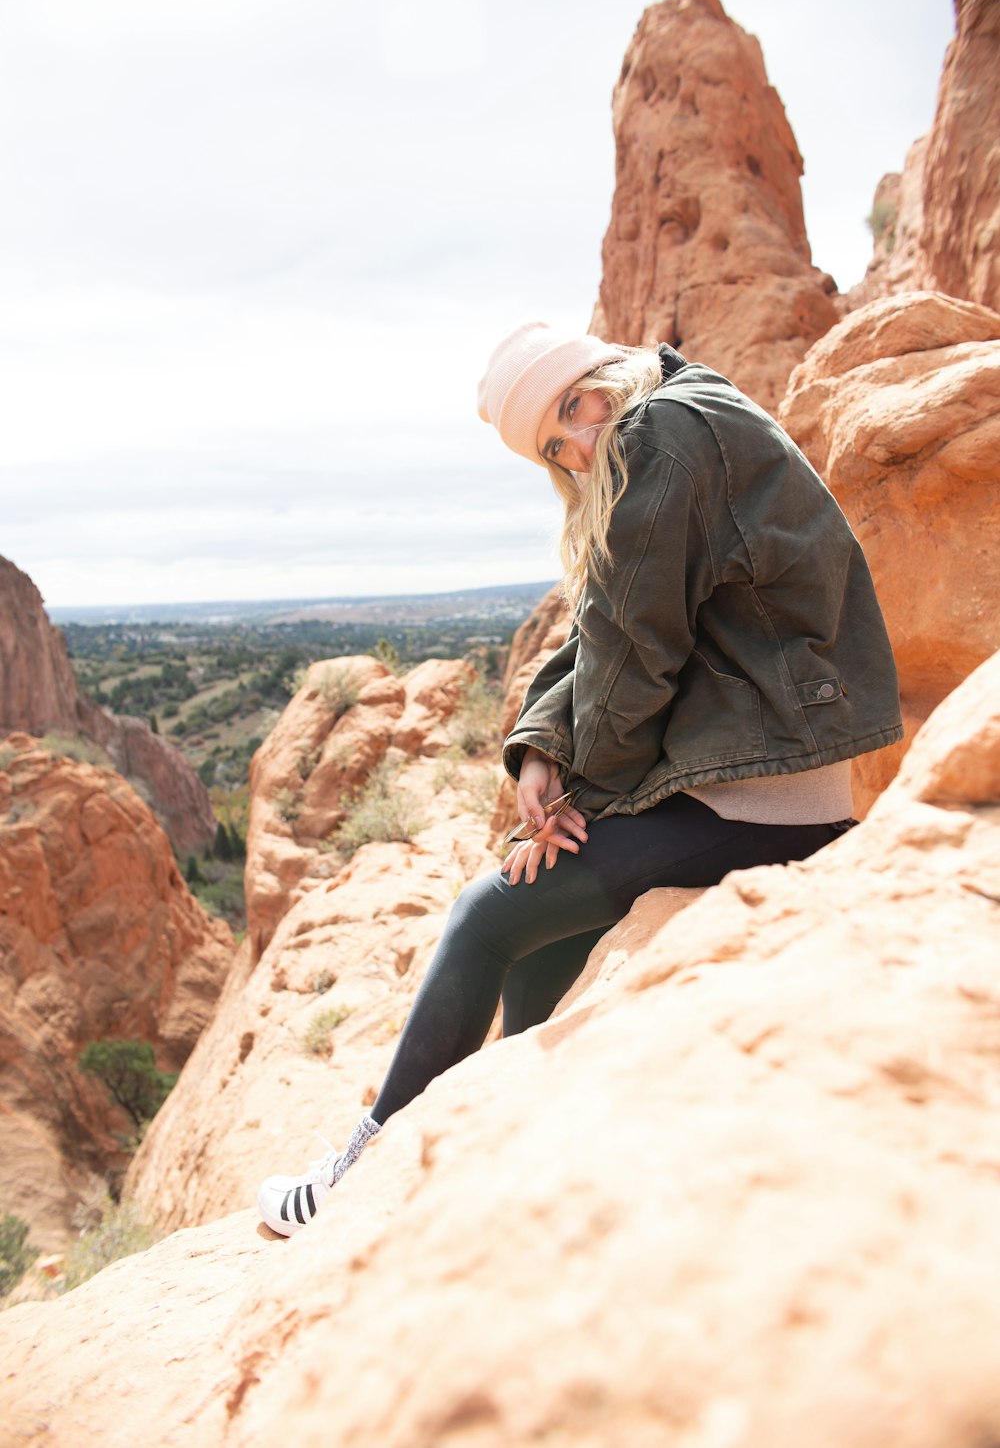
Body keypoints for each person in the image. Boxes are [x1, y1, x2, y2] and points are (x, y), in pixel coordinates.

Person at [257, 320, 902, 1236]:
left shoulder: (661, 433)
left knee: (489, 915)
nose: (578, 443)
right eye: (555, 445)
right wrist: (538, 751)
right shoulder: (684, 407)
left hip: (763, 792)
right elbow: (601, 627)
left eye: (572, 409)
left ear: (604, 374)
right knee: (541, 935)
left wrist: (570, 802)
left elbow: (639, 654)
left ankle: (357, 1176)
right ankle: (521, 1165)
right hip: (751, 772)